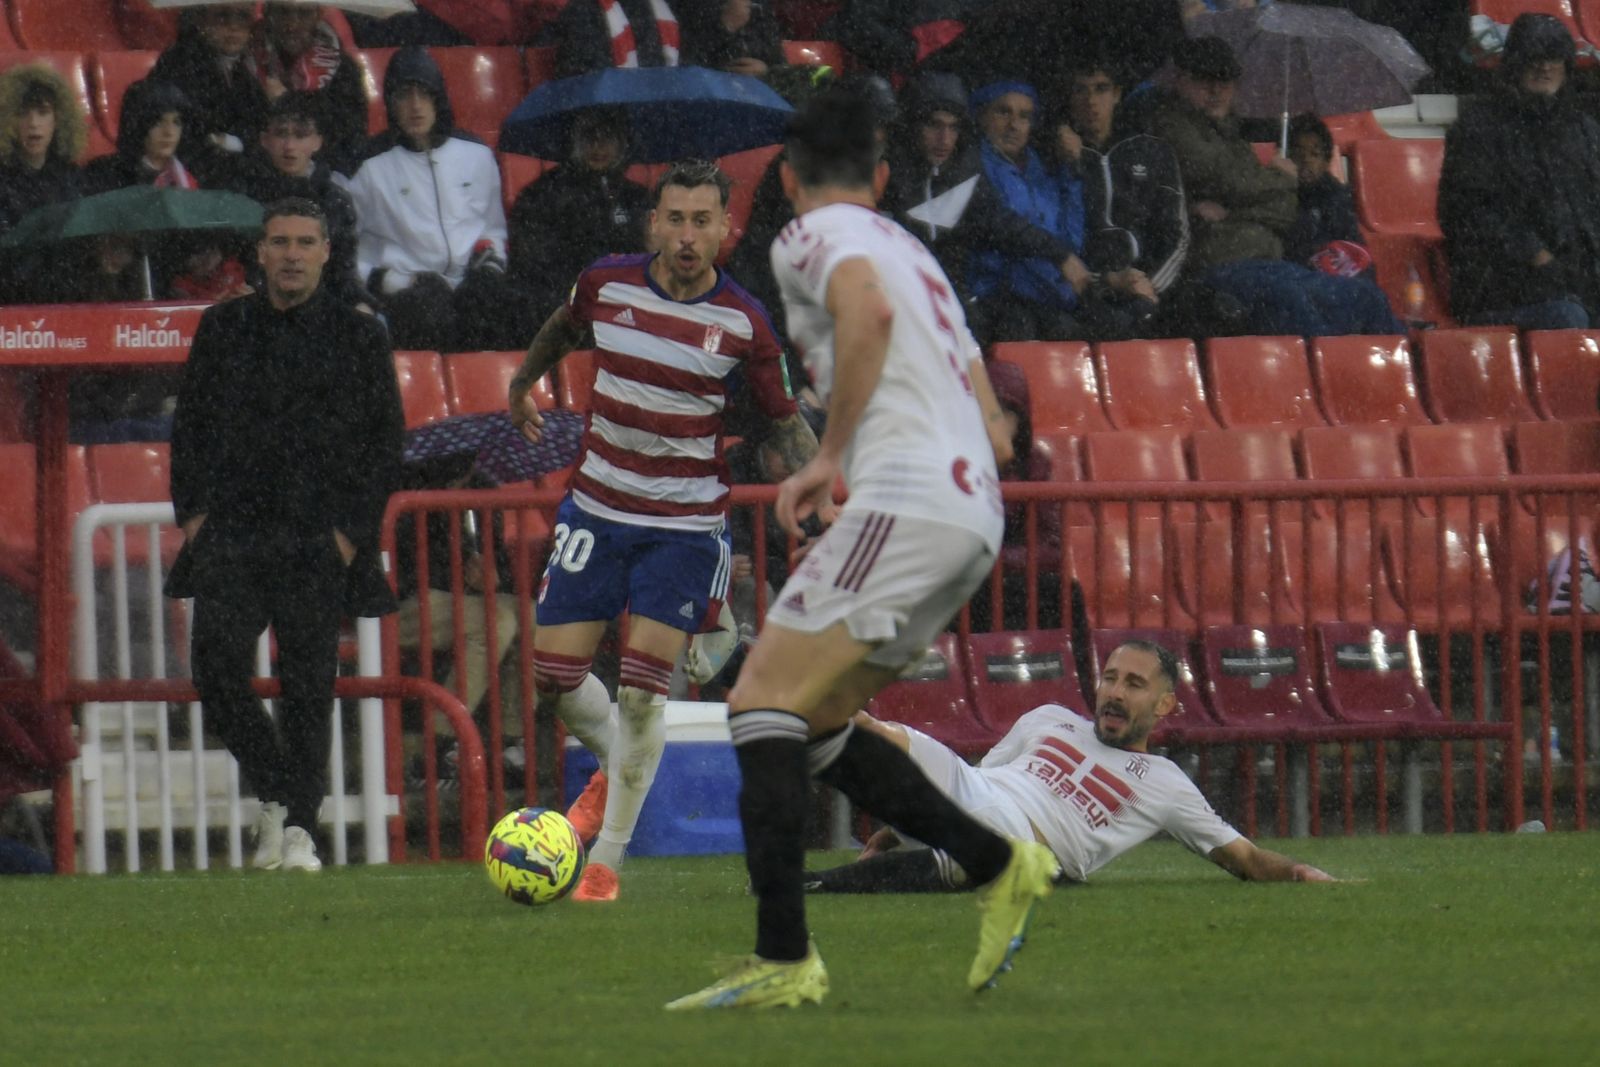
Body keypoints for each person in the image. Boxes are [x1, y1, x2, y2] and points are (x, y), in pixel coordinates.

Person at [665, 87, 1056, 1013]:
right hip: (973, 513)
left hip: (909, 503)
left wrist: (828, 457)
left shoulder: (808, 236)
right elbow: (988, 403)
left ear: (786, 180)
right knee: (816, 720)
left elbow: (867, 317)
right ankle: (999, 861)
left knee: (759, 705)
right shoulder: (912, 250)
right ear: (882, 177)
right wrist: (965, 433)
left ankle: (783, 956)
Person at [507, 160, 819, 903]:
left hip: (682, 523)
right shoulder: (606, 284)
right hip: (597, 507)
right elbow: (562, 328)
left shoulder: (743, 322)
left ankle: (608, 859)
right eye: (674, 219)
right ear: (653, 224)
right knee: (554, 677)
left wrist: (828, 494)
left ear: (725, 229)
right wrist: (522, 383)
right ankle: (622, 762)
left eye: (701, 221)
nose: (686, 236)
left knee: (644, 694)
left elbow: (783, 423)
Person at [166, 198, 405, 874]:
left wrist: (349, 536)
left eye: (304, 242)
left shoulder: (360, 335)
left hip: (316, 537)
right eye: (280, 242)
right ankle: (278, 790)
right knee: (215, 671)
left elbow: (385, 441)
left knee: (308, 688)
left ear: (327, 251)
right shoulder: (222, 327)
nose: (292, 254)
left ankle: (300, 825)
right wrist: (195, 517)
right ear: (260, 252)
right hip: (233, 531)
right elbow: (189, 428)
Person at [804, 640, 1336, 894]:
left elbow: (1243, 858)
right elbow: (975, 778)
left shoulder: (1167, 785)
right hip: (976, 791)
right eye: (1110, 678)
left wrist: (1295, 871)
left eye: (1134, 684)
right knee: (864, 729)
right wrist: (893, 833)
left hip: (1023, 842)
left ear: (1165, 705)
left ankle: (817, 884)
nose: (1115, 692)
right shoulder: (1049, 718)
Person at [1148, 36, 1401, 338]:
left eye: (1225, 81)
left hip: (1268, 263)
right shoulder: (1171, 127)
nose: (1216, 90)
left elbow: (1283, 210)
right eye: (1205, 80)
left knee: (1367, 297)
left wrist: (1235, 210)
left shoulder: (1233, 138)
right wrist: (1280, 179)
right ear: (1181, 80)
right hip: (1218, 267)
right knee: (1296, 307)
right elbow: (1227, 180)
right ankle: (1330, 368)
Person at [340, 46, 519, 351]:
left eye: (424, 94)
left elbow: (492, 227)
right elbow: (347, 249)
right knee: (428, 313)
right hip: (407, 293)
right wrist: (393, 281)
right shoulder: (367, 167)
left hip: (472, 285)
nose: (415, 106)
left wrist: (490, 268)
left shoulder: (476, 154)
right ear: (390, 103)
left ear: (439, 99)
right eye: (404, 96)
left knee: (513, 309)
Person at [887, 72, 1084, 334]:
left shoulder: (965, 173)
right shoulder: (888, 177)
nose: (944, 139)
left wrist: (1061, 255)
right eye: (934, 125)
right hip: (902, 297)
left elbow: (1003, 223)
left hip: (957, 300)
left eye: (953, 128)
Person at [1438, 13, 1600, 330]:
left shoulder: (1585, 131)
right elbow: (1466, 212)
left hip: (1579, 281)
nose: (1544, 67)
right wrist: (1536, 255)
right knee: (1568, 316)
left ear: (1567, 66)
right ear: (1515, 63)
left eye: (1553, 58)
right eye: (1534, 57)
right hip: (1501, 289)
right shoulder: (1478, 128)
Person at [1058, 60, 1189, 336]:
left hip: (1151, 285)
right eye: (1081, 90)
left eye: (1101, 89)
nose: (1091, 101)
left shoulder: (1152, 150)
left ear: (1117, 94)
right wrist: (1107, 281)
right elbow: (1058, 243)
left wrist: (1147, 285)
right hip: (1088, 291)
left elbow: (1177, 234)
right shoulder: (1055, 155)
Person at [966, 80, 1095, 344]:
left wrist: (1071, 169)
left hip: (1049, 300)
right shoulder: (972, 165)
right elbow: (1002, 231)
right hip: (998, 300)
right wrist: (1059, 258)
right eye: (1003, 112)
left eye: (1024, 116)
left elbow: (1071, 241)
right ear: (982, 116)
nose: (1014, 125)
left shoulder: (1039, 171)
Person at [507, 107, 650, 337]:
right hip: (562, 311)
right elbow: (532, 264)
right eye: (588, 135)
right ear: (572, 139)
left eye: (607, 136)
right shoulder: (542, 195)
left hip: (628, 308)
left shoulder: (637, 198)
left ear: (623, 142)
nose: (597, 145)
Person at [229, 90, 368, 307]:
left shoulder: (335, 200)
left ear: (317, 141)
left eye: (300, 135)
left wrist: (360, 304)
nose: (289, 146)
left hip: (323, 310)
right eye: (281, 134)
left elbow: (344, 275)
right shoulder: (244, 194)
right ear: (265, 140)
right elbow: (236, 265)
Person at [148, 4, 267, 186]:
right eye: (223, 16)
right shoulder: (181, 62)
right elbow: (191, 133)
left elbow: (260, 124)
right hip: (193, 172)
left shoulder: (243, 70)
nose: (233, 27)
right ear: (202, 20)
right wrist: (239, 143)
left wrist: (234, 142)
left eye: (243, 17)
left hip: (231, 166)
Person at [0, 62, 88, 303]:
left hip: (65, 298)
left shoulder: (73, 177)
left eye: (43, 112)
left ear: (58, 119)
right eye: (23, 113)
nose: (33, 123)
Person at [247, 2, 369, 174]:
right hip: (258, 175)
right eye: (283, 12)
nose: (292, 25)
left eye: (303, 13)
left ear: (318, 15)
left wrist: (287, 101)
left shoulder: (343, 68)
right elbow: (244, 131)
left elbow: (350, 138)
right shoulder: (248, 61)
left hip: (323, 176)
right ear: (269, 14)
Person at [1282, 112, 1372, 279]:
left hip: (1331, 278)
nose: (1306, 160)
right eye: (1298, 153)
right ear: (1285, 158)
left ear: (1326, 162)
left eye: (1315, 154)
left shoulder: (1336, 196)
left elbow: (1353, 247)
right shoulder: (1276, 194)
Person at [83, 79, 199, 194]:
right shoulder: (103, 175)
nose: (169, 132)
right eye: (158, 122)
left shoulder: (193, 177)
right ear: (137, 125)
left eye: (177, 122)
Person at [554, 0, 684, 78]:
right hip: (611, 112)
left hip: (666, 107)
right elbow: (586, 80)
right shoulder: (581, 10)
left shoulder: (677, 8)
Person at [680, 0, 786, 76]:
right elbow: (683, 61)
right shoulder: (691, 6)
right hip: (709, 91)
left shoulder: (761, 7)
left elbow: (780, 65)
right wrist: (725, 26)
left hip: (758, 94)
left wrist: (766, 72)